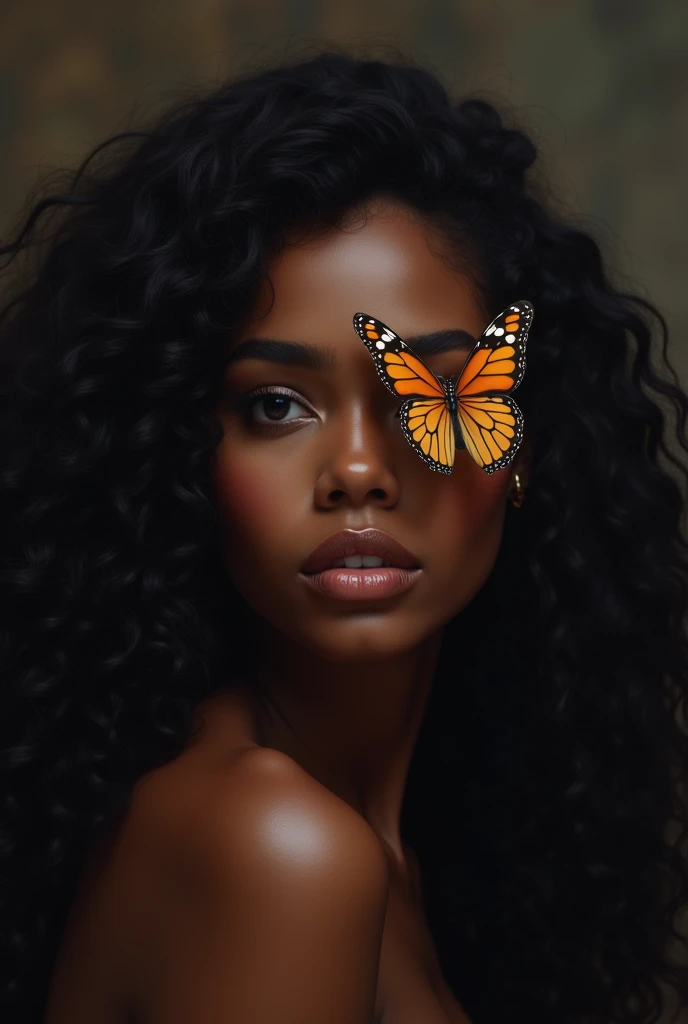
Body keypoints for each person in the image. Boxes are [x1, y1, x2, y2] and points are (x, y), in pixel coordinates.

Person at [0, 49, 687, 1024]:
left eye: (430, 396)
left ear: (526, 451)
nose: (358, 470)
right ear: (180, 460)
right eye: (276, 405)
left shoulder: (406, 844)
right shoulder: (275, 848)